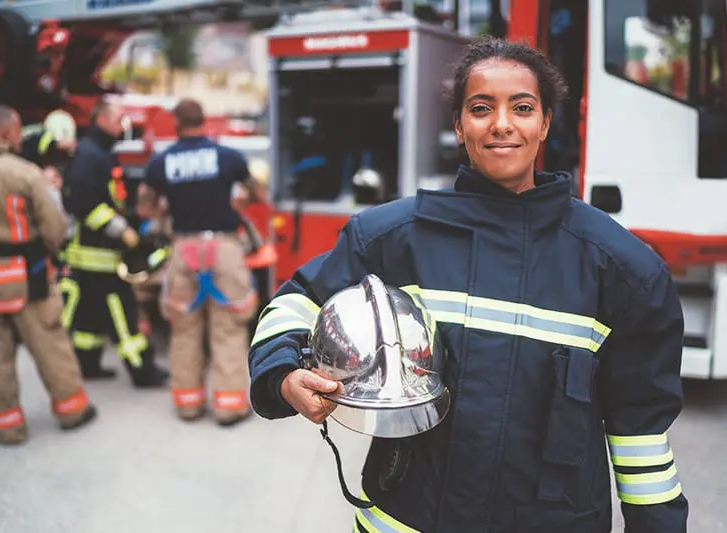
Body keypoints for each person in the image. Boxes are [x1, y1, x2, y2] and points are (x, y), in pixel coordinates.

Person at [248, 36, 688, 532]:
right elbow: (296, 302)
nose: (501, 123)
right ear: (459, 125)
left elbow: (641, 436)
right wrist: (283, 374)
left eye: (522, 107)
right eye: (481, 108)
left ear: (544, 123)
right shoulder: (393, 238)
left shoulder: (620, 269)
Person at [0, 105, 97, 445]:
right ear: (7, 133)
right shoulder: (24, 173)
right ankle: (72, 411)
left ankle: (7, 427)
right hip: (25, 277)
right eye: (17, 132)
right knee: (50, 344)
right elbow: (55, 227)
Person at [143, 98, 260, 425]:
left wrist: (167, 207)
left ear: (177, 124)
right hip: (223, 247)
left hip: (184, 248)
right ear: (204, 121)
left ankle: (188, 404)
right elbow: (257, 193)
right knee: (228, 328)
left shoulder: (161, 162)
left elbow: (145, 207)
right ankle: (229, 406)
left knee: (184, 328)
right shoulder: (228, 157)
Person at [59, 99, 168, 387]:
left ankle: (87, 363)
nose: (124, 125)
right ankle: (142, 370)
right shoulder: (90, 155)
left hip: (92, 254)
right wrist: (121, 231)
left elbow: (109, 196)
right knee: (122, 311)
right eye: (119, 119)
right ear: (102, 120)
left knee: (88, 315)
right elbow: (83, 203)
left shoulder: (99, 152)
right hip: (97, 254)